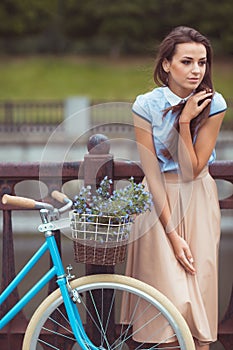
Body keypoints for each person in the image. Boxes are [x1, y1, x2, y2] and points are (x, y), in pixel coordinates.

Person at [121, 26, 227, 349]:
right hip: (158, 206)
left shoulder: (214, 103)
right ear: (166, 64)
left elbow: (192, 168)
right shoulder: (145, 106)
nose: (196, 70)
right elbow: (151, 173)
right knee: (163, 315)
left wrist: (184, 123)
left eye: (202, 62)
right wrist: (171, 233)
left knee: (198, 316)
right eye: (187, 62)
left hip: (198, 200)